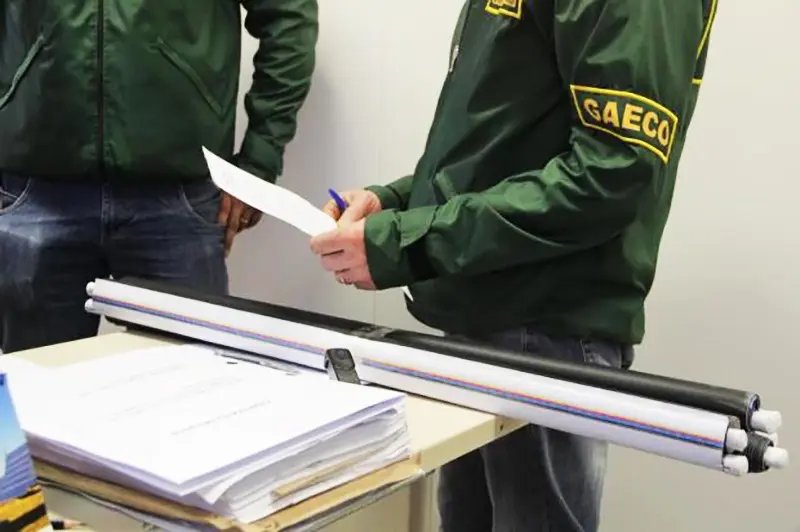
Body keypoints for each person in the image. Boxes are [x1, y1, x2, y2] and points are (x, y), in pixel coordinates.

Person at [311, 0, 717, 530]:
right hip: (482, 311)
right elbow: (499, 148)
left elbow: (607, 177)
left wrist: (409, 243)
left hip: (546, 326)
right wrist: (396, 205)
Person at [0, 1, 318, 353]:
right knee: (39, 383)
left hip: (177, 196)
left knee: (191, 381)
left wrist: (259, 161)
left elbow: (288, 15)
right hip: (35, 193)